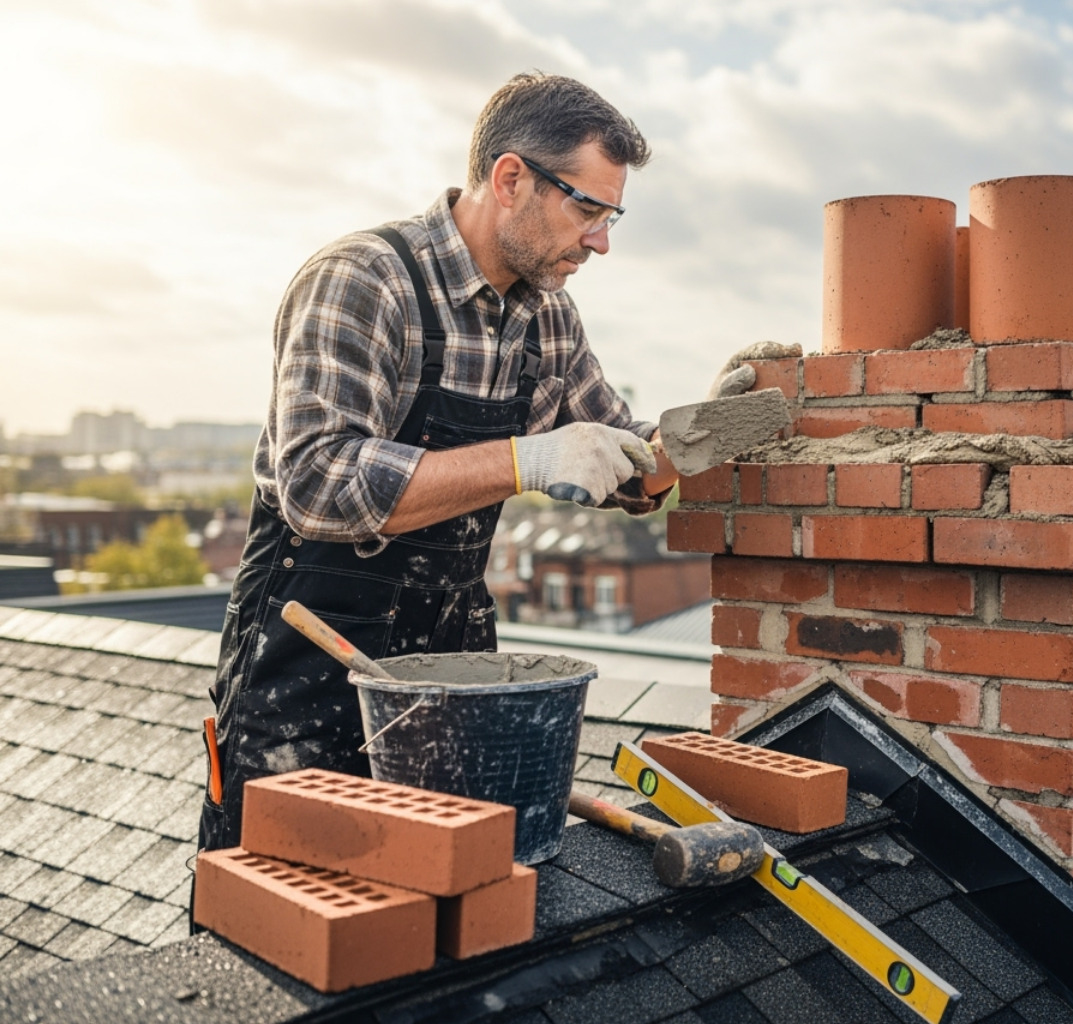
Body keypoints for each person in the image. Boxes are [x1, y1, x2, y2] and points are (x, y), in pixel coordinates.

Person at [198, 73, 788, 852]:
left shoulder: (547, 319)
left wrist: (697, 435)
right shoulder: (364, 281)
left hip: (453, 680)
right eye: (588, 209)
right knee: (290, 899)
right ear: (511, 179)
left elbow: (629, 465)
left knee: (455, 892)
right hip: (311, 679)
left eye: (611, 217)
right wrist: (525, 459)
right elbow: (318, 483)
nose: (601, 241)